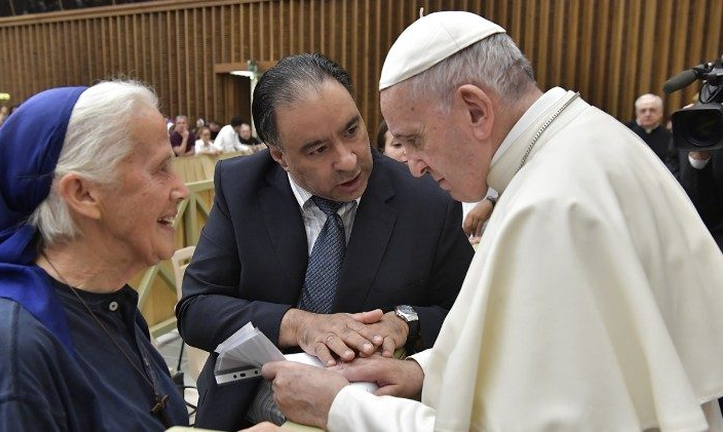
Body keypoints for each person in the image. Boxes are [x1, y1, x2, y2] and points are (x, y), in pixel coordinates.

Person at [261, 12, 723, 431]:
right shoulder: (588, 141)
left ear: (476, 110)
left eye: (414, 139)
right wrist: (424, 370)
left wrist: (341, 406)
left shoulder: (549, 206)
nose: (414, 165)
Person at [175, 53, 473, 430]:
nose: (348, 160)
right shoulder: (241, 187)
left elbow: (467, 315)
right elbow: (197, 310)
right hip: (245, 407)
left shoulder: (427, 200)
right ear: (279, 155)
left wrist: (406, 322)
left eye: (352, 130)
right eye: (318, 150)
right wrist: (299, 325)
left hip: (364, 413)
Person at [0, 81, 191, 430]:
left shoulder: (107, 302)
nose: (181, 190)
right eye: (160, 168)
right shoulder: (8, 350)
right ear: (82, 193)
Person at [628, 93, 673, 163]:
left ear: (661, 113)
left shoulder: (670, 137)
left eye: (652, 110)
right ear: (637, 113)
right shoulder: (627, 133)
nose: (647, 114)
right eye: (643, 110)